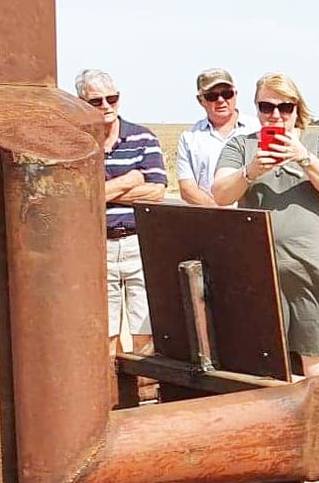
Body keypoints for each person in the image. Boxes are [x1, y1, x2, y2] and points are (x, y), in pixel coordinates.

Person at [212, 74, 319, 375]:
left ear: (296, 108)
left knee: (317, 346)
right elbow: (221, 194)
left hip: (310, 266)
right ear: (256, 108)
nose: (275, 115)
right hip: (258, 265)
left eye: (284, 107)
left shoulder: (316, 141)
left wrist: (304, 157)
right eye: (266, 107)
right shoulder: (241, 145)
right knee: (264, 352)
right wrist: (250, 171)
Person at [81, 70, 168, 361]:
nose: (106, 105)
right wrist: (129, 180)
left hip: (137, 243)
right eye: (96, 101)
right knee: (104, 332)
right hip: (97, 247)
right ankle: (112, 399)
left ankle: (145, 395)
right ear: (81, 102)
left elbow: (156, 191)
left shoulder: (143, 137)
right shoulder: (78, 143)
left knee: (145, 328)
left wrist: (100, 193)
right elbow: (75, 199)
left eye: (112, 98)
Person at [176, 69, 253, 205]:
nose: (221, 100)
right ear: (201, 100)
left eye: (226, 94)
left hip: (253, 219)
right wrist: (218, 212)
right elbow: (187, 189)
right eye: (212, 96)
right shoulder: (189, 138)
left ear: (235, 94)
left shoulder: (257, 129)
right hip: (209, 220)